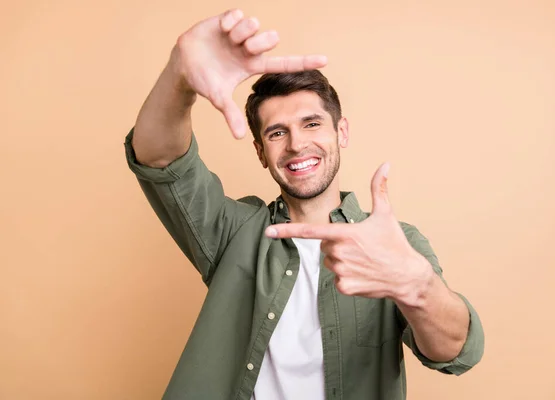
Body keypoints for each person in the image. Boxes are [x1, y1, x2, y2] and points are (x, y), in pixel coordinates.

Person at [124, 8, 484, 400]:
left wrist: (418, 288)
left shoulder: (396, 243)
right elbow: (159, 159)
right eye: (278, 133)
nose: (297, 144)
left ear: (340, 131)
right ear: (261, 152)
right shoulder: (234, 232)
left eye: (312, 124)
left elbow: (455, 352)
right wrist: (179, 75)